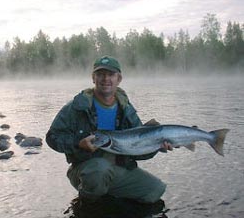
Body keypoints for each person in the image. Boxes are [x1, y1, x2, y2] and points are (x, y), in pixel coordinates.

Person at [46, 55, 172, 204]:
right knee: (100, 170)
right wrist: (77, 143)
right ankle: (86, 206)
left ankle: (109, 196)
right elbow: (52, 137)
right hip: (86, 170)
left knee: (155, 190)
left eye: (111, 74)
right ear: (93, 78)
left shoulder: (127, 110)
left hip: (119, 169)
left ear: (119, 79)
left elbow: (138, 152)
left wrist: (157, 146)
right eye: (100, 74)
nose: (106, 79)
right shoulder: (77, 107)